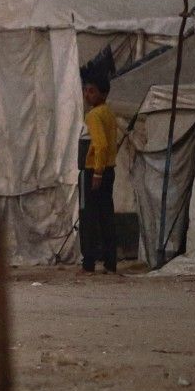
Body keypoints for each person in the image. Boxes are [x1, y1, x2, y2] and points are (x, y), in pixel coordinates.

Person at [80, 75, 120, 275]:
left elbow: (101, 145)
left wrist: (97, 172)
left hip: (94, 171)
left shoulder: (93, 115)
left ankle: (88, 263)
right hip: (109, 169)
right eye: (86, 90)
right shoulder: (109, 113)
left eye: (92, 91)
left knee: (89, 216)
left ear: (102, 94)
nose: (87, 95)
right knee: (106, 216)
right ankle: (110, 262)